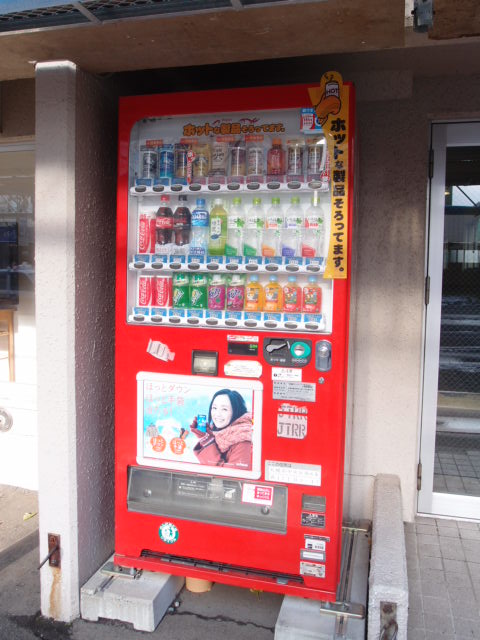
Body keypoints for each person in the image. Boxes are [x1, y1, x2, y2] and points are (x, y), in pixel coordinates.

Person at [191, 389, 253, 469]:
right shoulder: (218, 433)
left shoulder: (244, 440)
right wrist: (206, 437)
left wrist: (207, 442)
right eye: (214, 408)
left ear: (237, 411)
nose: (217, 414)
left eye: (224, 409)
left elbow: (230, 477)